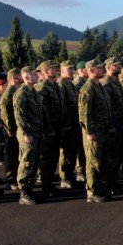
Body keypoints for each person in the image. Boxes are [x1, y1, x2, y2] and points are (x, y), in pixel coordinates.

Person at [78, 59, 115, 202]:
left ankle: (101, 188)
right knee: (93, 163)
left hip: (103, 130)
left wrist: (110, 125)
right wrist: (89, 131)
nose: (102, 70)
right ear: (91, 70)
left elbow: (106, 108)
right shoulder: (88, 88)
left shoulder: (99, 86)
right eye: (99, 68)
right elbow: (84, 113)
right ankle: (92, 192)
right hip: (94, 131)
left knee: (102, 161)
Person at [14, 66, 44, 205]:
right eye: (34, 74)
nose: (37, 76)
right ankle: (24, 193)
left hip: (37, 132)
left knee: (34, 162)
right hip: (28, 134)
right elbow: (20, 116)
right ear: (26, 77)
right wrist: (26, 133)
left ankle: (30, 190)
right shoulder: (21, 93)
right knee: (26, 162)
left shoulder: (34, 92)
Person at [35, 61, 63, 197]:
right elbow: (43, 110)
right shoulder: (42, 87)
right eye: (53, 68)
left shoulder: (55, 86)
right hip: (48, 129)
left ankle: (49, 184)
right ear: (46, 71)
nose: (56, 70)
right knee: (46, 158)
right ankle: (45, 187)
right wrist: (48, 128)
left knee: (53, 158)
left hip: (57, 127)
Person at [101, 58, 123, 195]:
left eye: (120, 65)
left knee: (117, 156)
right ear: (109, 67)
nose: (119, 67)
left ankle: (114, 181)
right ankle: (109, 184)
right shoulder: (107, 83)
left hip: (120, 124)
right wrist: (110, 124)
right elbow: (107, 107)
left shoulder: (116, 82)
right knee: (110, 157)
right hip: (113, 126)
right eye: (116, 65)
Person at [57, 60, 80, 189]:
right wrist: (65, 124)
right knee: (66, 152)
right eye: (69, 69)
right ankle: (65, 177)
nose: (71, 71)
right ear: (62, 71)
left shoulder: (70, 84)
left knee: (72, 151)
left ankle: (70, 175)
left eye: (72, 69)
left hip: (74, 122)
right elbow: (63, 106)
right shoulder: (61, 85)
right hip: (67, 124)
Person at [0, 69, 22, 190]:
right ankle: (11, 179)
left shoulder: (17, 90)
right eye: (19, 74)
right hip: (11, 130)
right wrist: (10, 130)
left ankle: (16, 177)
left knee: (17, 154)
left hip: (17, 129)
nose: (22, 76)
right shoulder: (9, 93)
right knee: (11, 155)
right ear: (14, 77)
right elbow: (5, 113)